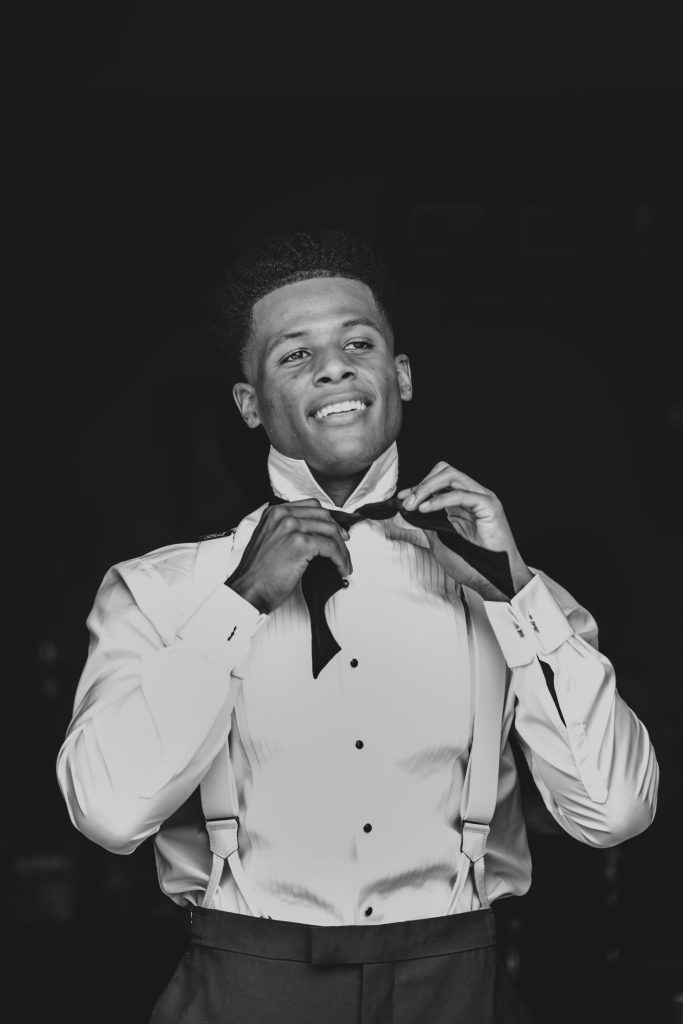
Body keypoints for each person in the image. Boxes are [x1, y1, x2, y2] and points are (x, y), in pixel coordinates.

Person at [56, 229, 659, 1024]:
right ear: (249, 404)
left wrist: (515, 598)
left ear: (398, 376)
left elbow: (613, 814)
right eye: (294, 354)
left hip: (456, 986)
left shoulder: (511, 591)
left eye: (357, 343)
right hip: (244, 987)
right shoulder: (160, 591)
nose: (333, 367)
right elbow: (108, 816)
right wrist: (238, 603)